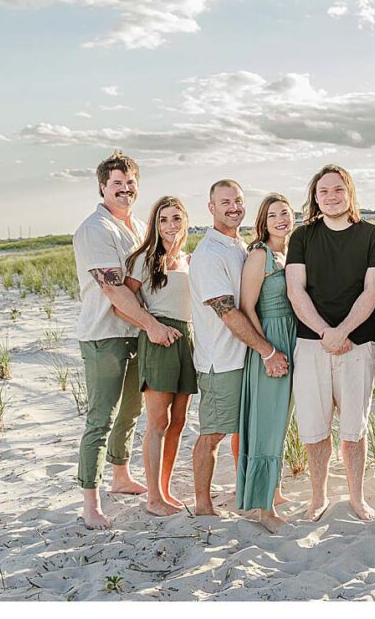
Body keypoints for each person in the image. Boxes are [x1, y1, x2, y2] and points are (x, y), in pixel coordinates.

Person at [72, 150, 183, 530]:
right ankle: (90, 500)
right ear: (103, 187)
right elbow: (115, 290)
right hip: (105, 336)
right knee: (100, 417)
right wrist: (153, 325)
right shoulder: (95, 229)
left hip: (138, 335)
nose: (124, 189)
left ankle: (121, 475)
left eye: (129, 182)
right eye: (116, 183)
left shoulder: (137, 226)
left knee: (131, 412)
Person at [285, 165, 375, 521]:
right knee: (314, 428)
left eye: (337, 190)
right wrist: (325, 333)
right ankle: (318, 498)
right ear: (315, 197)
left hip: (358, 344)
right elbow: (295, 289)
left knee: (353, 429)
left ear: (350, 192)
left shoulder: (373, 236)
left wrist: (342, 331)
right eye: (323, 191)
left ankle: (357, 499)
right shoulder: (302, 237)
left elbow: (372, 290)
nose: (331, 197)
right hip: (311, 343)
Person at [189, 180, 289, 517]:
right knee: (213, 432)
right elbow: (227, 311)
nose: (233, 207)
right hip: (221, 359)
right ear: (211, 207)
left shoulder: (239, 247)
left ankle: (249, 492)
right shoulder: (209, 253)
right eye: (225, 202)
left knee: (248, 430)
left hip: (244, 353)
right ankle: (203, 505)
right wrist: (268, 351)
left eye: (238, 201)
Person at [121, 196, 196, 517]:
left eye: (176, 218)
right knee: (158, 423)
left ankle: (164, 490)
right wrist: (152, 327)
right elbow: (122, 303)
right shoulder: (143, 259)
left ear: (185, 222)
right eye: (163, 219)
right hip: (159, 341)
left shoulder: (187, 259)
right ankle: (153, 498)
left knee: (178, 422)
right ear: (155, 224)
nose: (170, 226)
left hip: (187, 342)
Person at [236, 194, 298, 533]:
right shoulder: (259, 254)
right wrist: (267, 351)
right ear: (263, 220)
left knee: (282, 421)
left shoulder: (290, 253)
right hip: (270, 338)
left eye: (285, 213)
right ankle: (264, 508)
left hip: (293, 337)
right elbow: (247, 308)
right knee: (267, 423)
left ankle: (273, 488)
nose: (280, 219)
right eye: (272, 214)